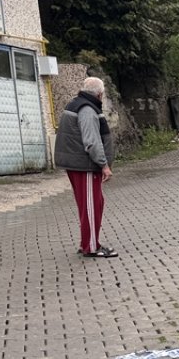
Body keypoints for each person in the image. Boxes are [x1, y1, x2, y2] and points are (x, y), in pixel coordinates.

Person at [55, 77, 117, 258]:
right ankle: (91, 247)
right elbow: (92, 141)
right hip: (85, 165)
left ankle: (89, 243)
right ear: (100, 94)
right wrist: (104, 165)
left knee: (95, 203)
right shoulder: (88, 109)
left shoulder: (77, 104)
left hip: (78, 164)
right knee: (91, 206)